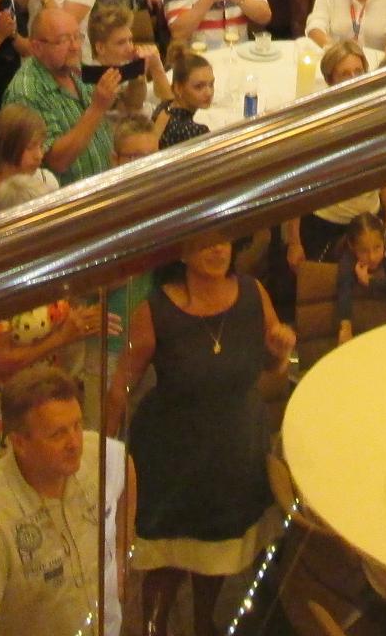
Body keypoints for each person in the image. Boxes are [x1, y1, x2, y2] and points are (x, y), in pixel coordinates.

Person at [107, 233, 289, 636]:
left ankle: (204, 624)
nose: (218, 249)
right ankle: (154, 627)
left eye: (224, 240)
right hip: (172, 459)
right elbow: (122, 382)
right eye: (205, 242)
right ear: (182, 251)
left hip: (233, 454)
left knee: (216, 558)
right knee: (166, 560)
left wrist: (280, 350)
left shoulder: (253, 294)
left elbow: (272, 366)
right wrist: (101, 452)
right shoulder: (154, 311)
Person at [0, 362, 132, 636]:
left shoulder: (96, 454)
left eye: (77, 426)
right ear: (20, 443)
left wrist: (120, 555)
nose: (75, 443)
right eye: (58, 434)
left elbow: (125, 467)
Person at [5, 5, 120, 186]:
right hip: (65, 201)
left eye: (77, 37)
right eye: (63, 41)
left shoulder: (75, 70)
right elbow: (56, 161)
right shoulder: (26, 92)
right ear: (36, 47)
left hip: (104, 188)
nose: (75, 46)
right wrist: (97, 108)